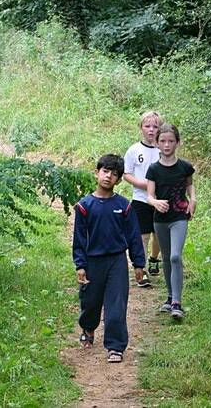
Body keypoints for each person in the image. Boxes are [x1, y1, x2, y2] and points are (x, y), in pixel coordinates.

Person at [73, 154, 146, 363]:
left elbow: (133, 236)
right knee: (91, 302)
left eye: (114, 174)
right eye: (105, 172)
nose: (108, 177)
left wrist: (138, 263)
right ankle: (88, 328)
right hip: (92, 260)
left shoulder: (124, 206)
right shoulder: (84, 206)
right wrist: (80, 265)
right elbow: (79, 239)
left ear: (119, 180)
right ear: (96, 173)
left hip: (117, 261)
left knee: (116, 304)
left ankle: (115, 346)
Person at [146, 124, 196, 320]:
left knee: (176, 256)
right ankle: (169, 297)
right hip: (160, 219)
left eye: (171, 141)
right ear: (157, 144)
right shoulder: (153, 169)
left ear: (178, 142)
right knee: (166, 257)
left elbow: (190, 186)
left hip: (179, 217)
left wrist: (193, 199)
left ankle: (177, 302)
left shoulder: (185, 167)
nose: (167, 145)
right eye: (163, 141)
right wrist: (156, 202)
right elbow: (149, 196)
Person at [123, 111, 163, 287]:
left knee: (159, 234)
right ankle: (142, 268)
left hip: (162, 200)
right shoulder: (134, 150)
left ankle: (154, 259)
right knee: (142, 236)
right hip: (141, 199)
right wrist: (142, 184)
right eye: (147, 126)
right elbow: (126, 174)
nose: (151, 130)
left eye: (155, 126)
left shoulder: (163, 149)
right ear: (141, 128)